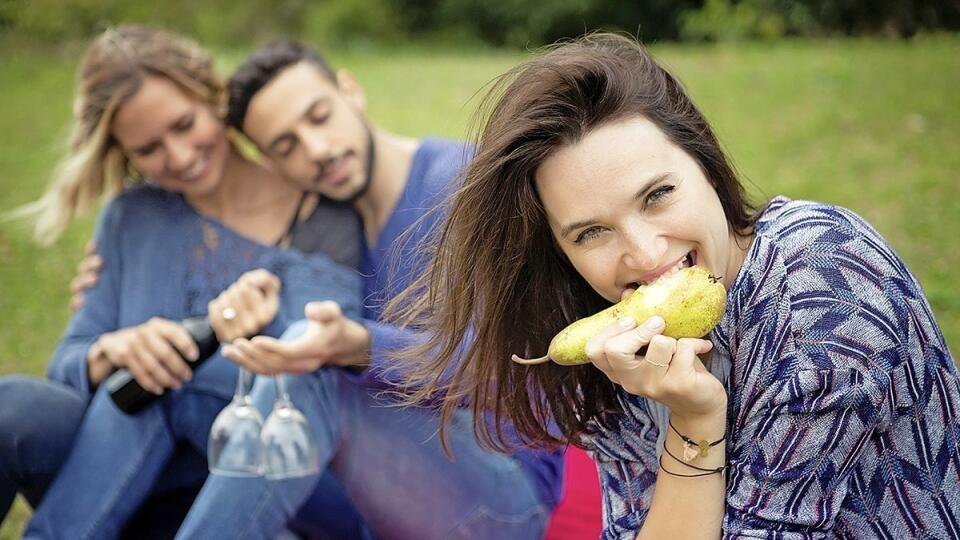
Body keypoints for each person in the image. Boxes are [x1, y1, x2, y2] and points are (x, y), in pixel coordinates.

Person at [390, 32, 960, 538]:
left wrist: (695, 424)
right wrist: (691, 420)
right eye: (591, 233)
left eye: (657, 195)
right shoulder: (617, 343)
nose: (643, 252)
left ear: (707, 167)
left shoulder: (822, 277)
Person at [164, 41, 565, 539]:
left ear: (350, 91)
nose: (317, 149)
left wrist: (360, 346)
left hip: (503, 494)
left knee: (319, 378)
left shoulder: (458, 186)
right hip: (387, 484)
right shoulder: (335, 224)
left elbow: (507, 374)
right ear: (272, 164)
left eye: (319, 116)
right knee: (188, 391)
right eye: (286, 146)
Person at [3, 25, 368, 539]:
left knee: (181, 374)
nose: (177, 156)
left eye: (184, 124)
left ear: (213, 97)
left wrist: (237, 333)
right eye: (149, 148)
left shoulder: (320, 213)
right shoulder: (132, 218)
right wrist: (117, 348)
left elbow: (321, 371)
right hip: (116, 474)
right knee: (10, 407)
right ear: (125, 154)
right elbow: (68, 365)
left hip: (257, 483)